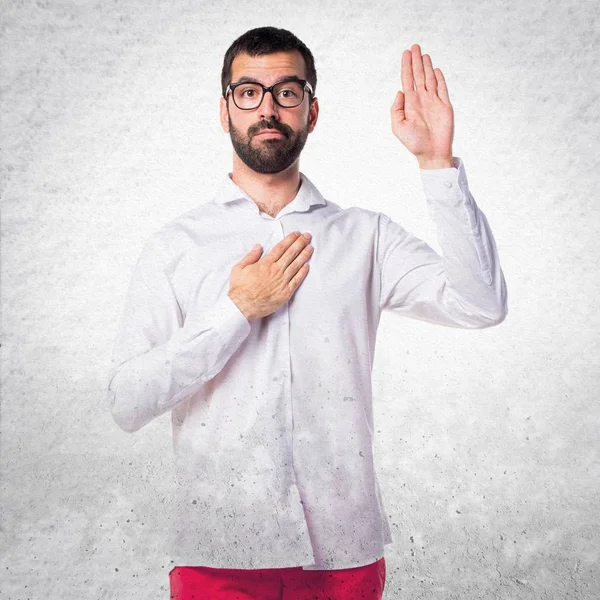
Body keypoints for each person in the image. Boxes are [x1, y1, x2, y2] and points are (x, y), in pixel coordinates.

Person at [107, 26, 507, 600]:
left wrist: (438, 163)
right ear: (224, 111)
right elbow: (127, 402)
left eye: (287, 93)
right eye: (248, 93)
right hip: (218, 553)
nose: (268, 109)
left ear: (312, 111)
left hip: (343, 556)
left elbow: (481, 304)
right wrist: (237, 310)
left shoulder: (364, 237)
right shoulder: (176, 246)